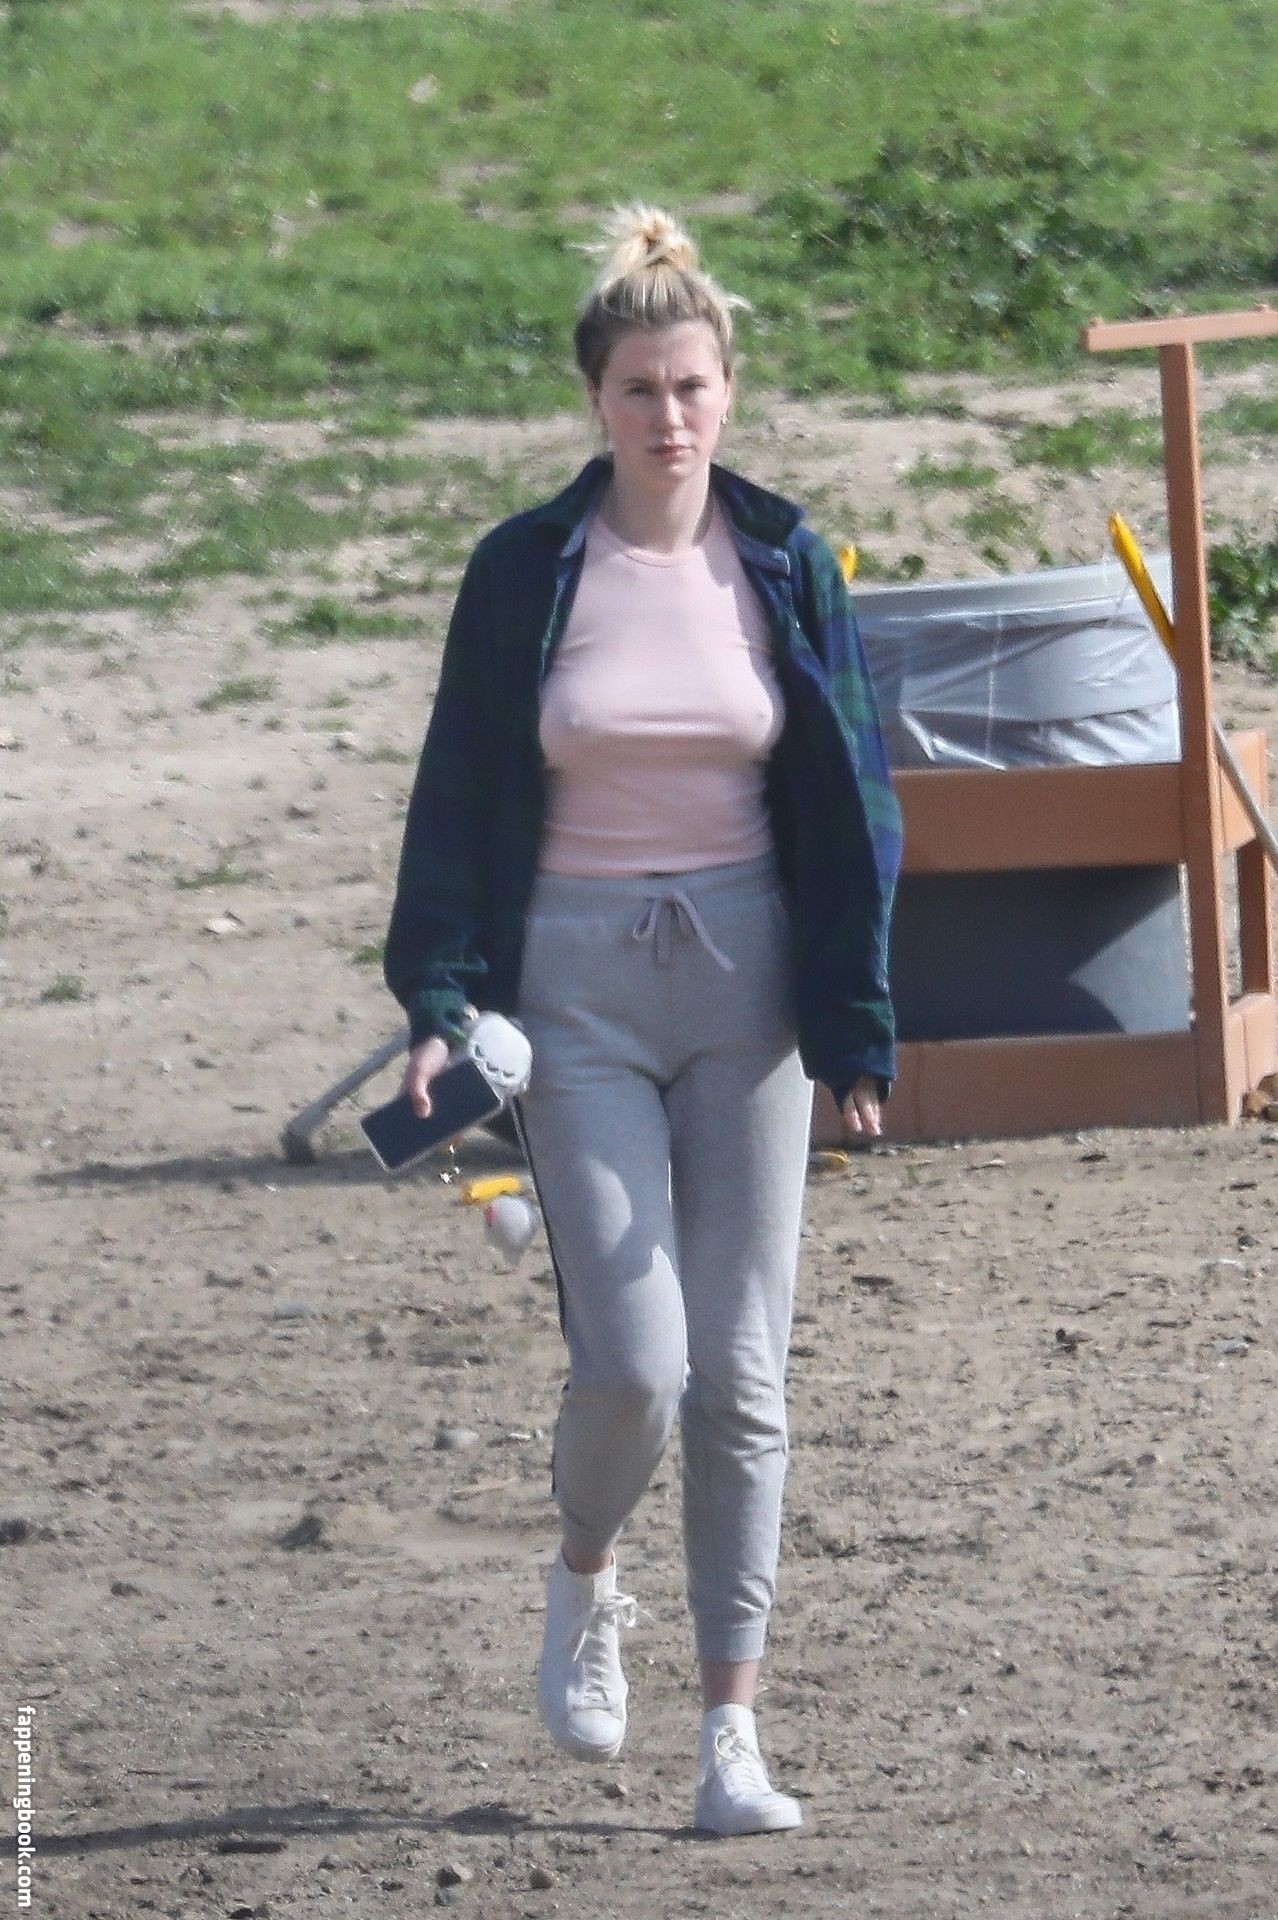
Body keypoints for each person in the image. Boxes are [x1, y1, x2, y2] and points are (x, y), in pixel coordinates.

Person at [384, 206, 902, 1837]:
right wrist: (439, 996)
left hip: (748, 992)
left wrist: (856, 1029)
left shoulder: (788, 561)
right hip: (574, 992)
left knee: (740, 1379)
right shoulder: (523, 572)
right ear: (592, 401)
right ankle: (583, 1572)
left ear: (728, 389)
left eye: (691, 385)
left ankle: (730, 1737)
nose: (668, 417)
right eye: (637, 390)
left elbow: (857, 810)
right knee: (633, 1365)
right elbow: (454, 795)